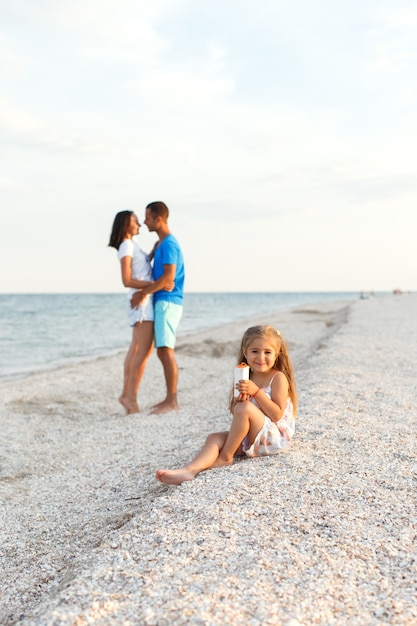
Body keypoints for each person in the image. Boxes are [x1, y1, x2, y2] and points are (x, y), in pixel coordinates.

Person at [155, 324, 297, 485]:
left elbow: (277, 414)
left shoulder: (278, 378)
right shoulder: (246, 375)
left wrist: (255, 393)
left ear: (277, 354)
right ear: (245, 352)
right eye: (255, 351)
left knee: (244, 409)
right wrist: (241, 398)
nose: (260, 357)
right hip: (252, 436)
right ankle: (189, 470)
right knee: (214, 438)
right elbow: (240, 411)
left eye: (267, 352)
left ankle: (225, 457)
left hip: (273, 438)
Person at [131, 201, 185, 414]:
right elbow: (163, 275)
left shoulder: (169, 244)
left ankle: (172, 401)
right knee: (163, 351)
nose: (144, 222)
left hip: (168, 302)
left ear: (158, 219)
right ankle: (170, 399)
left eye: (147, 218)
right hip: (163, 300)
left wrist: (143, 293)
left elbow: (169, 276)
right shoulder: (162, 244)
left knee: (165, 351)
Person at [108, 210, 156, 415]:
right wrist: (156, 285)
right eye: (135, 221)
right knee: (143, 352)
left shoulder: (131, 245)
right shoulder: (126, 245)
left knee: (135, 350)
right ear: (125, 225)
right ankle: (131, 398)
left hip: (140, 299)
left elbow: (140, 270)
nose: (139, 224)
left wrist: (152, 254)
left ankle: (126, 395)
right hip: (142, 302)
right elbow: (127, 279)